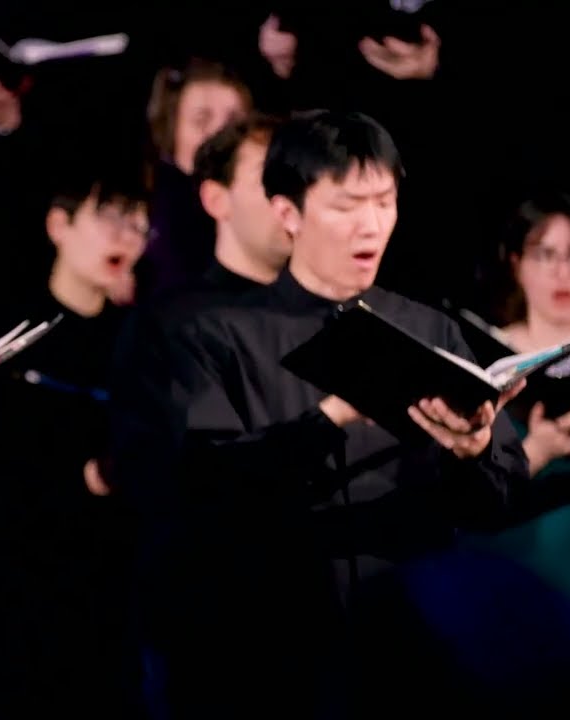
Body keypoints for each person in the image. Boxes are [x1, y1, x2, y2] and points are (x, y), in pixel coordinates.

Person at [110, 110, 528, 718]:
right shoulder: (215, 334)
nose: (371, 224)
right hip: (263, 660)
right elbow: (197, 489)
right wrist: (329, 417)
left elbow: (499, 505)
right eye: (346, 205)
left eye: (384, 202)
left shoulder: (428, 329)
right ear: (288, 213)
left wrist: (475, 453)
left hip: (412, 656)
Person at [0, 147, 148, 720]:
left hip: (109, 587)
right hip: (14, 584)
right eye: (112, 216)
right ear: (60, 225)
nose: (127, 234)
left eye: (140, 223)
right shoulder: (7, 332)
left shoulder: (140, 341)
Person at [458, 195, 570, 610]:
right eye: (544, 255)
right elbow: (451, 509)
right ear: (516, 263)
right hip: (505, 575)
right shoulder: (487, 360)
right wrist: (539, 450)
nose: (563, 272)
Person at [139, 59, 252, 301]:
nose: (220, 134)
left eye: (233, 122)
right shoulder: (149, 212)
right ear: (171, 129)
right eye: (202, 120)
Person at [194, 112, 290, 294]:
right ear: (216, 200)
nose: (293, 200)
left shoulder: (335, 310)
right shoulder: (180, 318)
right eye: (270, 181)